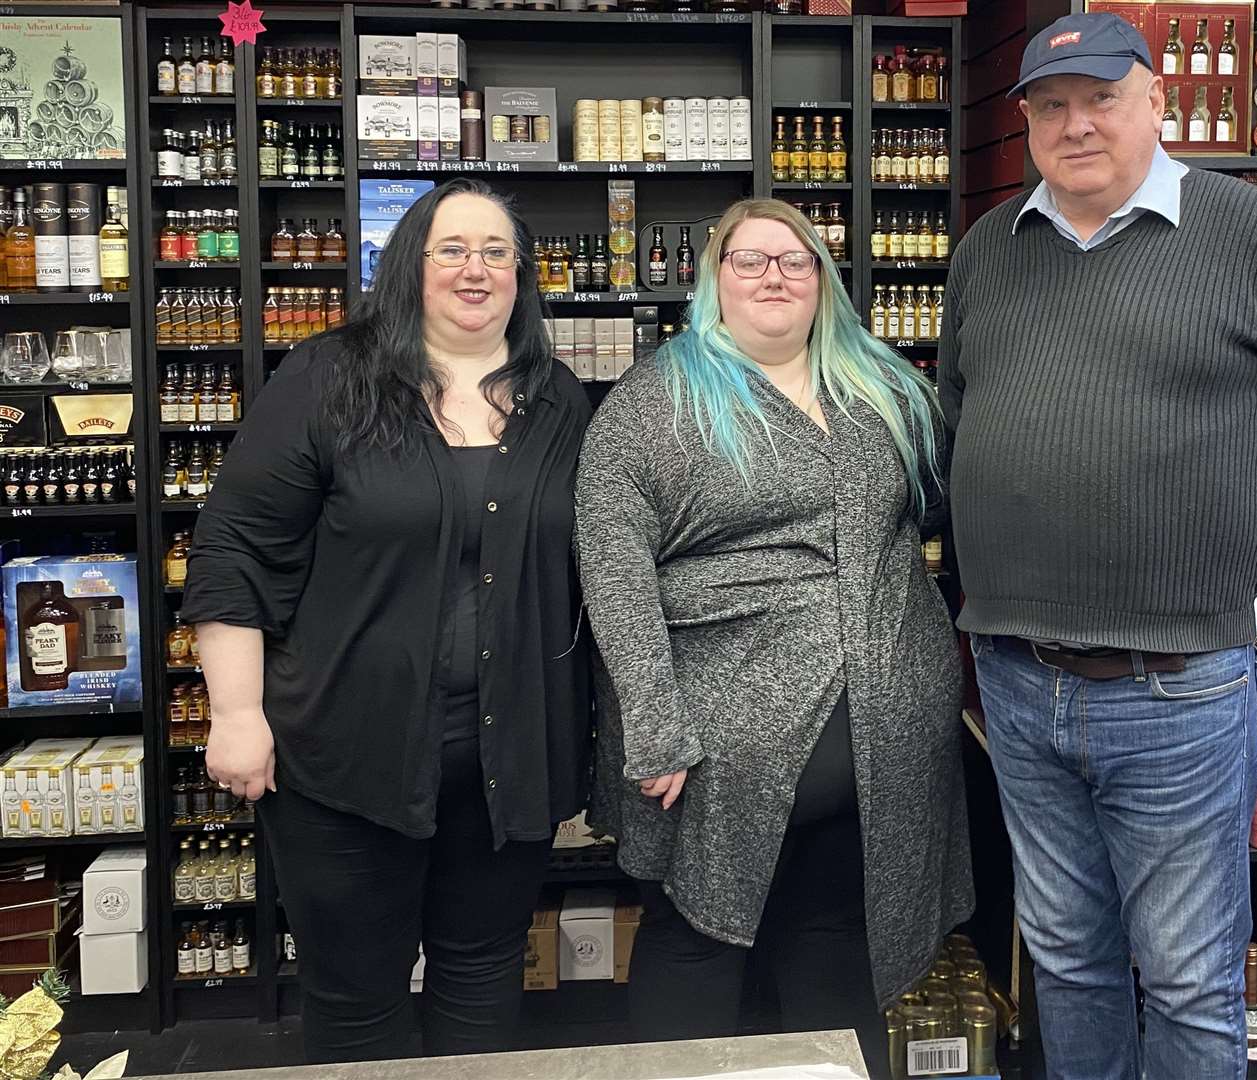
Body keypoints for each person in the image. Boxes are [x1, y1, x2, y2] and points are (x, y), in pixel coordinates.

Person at [938, 14, 1257, 1080]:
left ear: (1158, 102)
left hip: (1179, 687)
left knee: (1190, 978)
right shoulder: (986, 254)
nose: (1076, 123)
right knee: (1065, 959)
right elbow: (964, 422)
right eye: (1050, 106)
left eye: (1101, 98)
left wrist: (1241, 515)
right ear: (1025, 127)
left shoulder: (1251, 234)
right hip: (1017, 674)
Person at [184, 178, 592, 1064]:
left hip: (508, 763)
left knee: (484, 977)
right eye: (452, 249)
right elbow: (234, 550)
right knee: (357, 996)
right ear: (410, 264)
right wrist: (236, 713)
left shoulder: (556, 395)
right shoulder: (331, 375)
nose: (474, 270)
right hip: (347, 755)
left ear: (522, 275)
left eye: (496, 252)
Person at [577, 198, 972, 1076]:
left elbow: (946, 511)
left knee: (836, 947)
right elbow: (613, 567)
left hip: (885, 737)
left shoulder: (883, 387)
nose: (773, 276)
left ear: (823, 281)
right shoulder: (658, 400)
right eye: (749, 260)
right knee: (696, 944)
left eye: (796, 261)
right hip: (718, 742)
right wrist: (654, 722)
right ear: (712, 279)